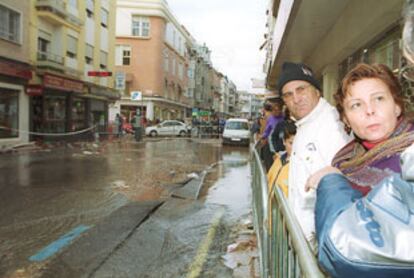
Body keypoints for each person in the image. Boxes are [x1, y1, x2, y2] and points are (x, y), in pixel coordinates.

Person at [305, 63, 414, 277]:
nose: (369, 110)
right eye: (356, 105)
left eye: (379, 99)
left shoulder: (409, 156)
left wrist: (331, 182)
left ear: (397, 106)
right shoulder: (345, 159)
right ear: (345, 118)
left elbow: (355, 246)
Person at [277, 62, 352, 245]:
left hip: (320, 243)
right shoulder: (304, 124)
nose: (296, 98)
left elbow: (344, 189)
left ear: (317, 91)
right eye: (288, 95)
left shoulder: (331, 126)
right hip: (304, 242)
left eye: (301, 89)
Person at [267, 120, 296, 197]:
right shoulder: (278, 161)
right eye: (291, 143)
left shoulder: (299, 166)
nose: (294, 147)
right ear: (284, 141)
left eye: (297, 143)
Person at [260, 99, 284, 171]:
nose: (276, 112)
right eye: (274, 110)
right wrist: (263, 137)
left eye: (278, 110)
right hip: (271, 144)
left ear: (281, 110)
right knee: (270, 164)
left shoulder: (284, 118)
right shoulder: (270, 119)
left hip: (282, 144)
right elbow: (267, 131)